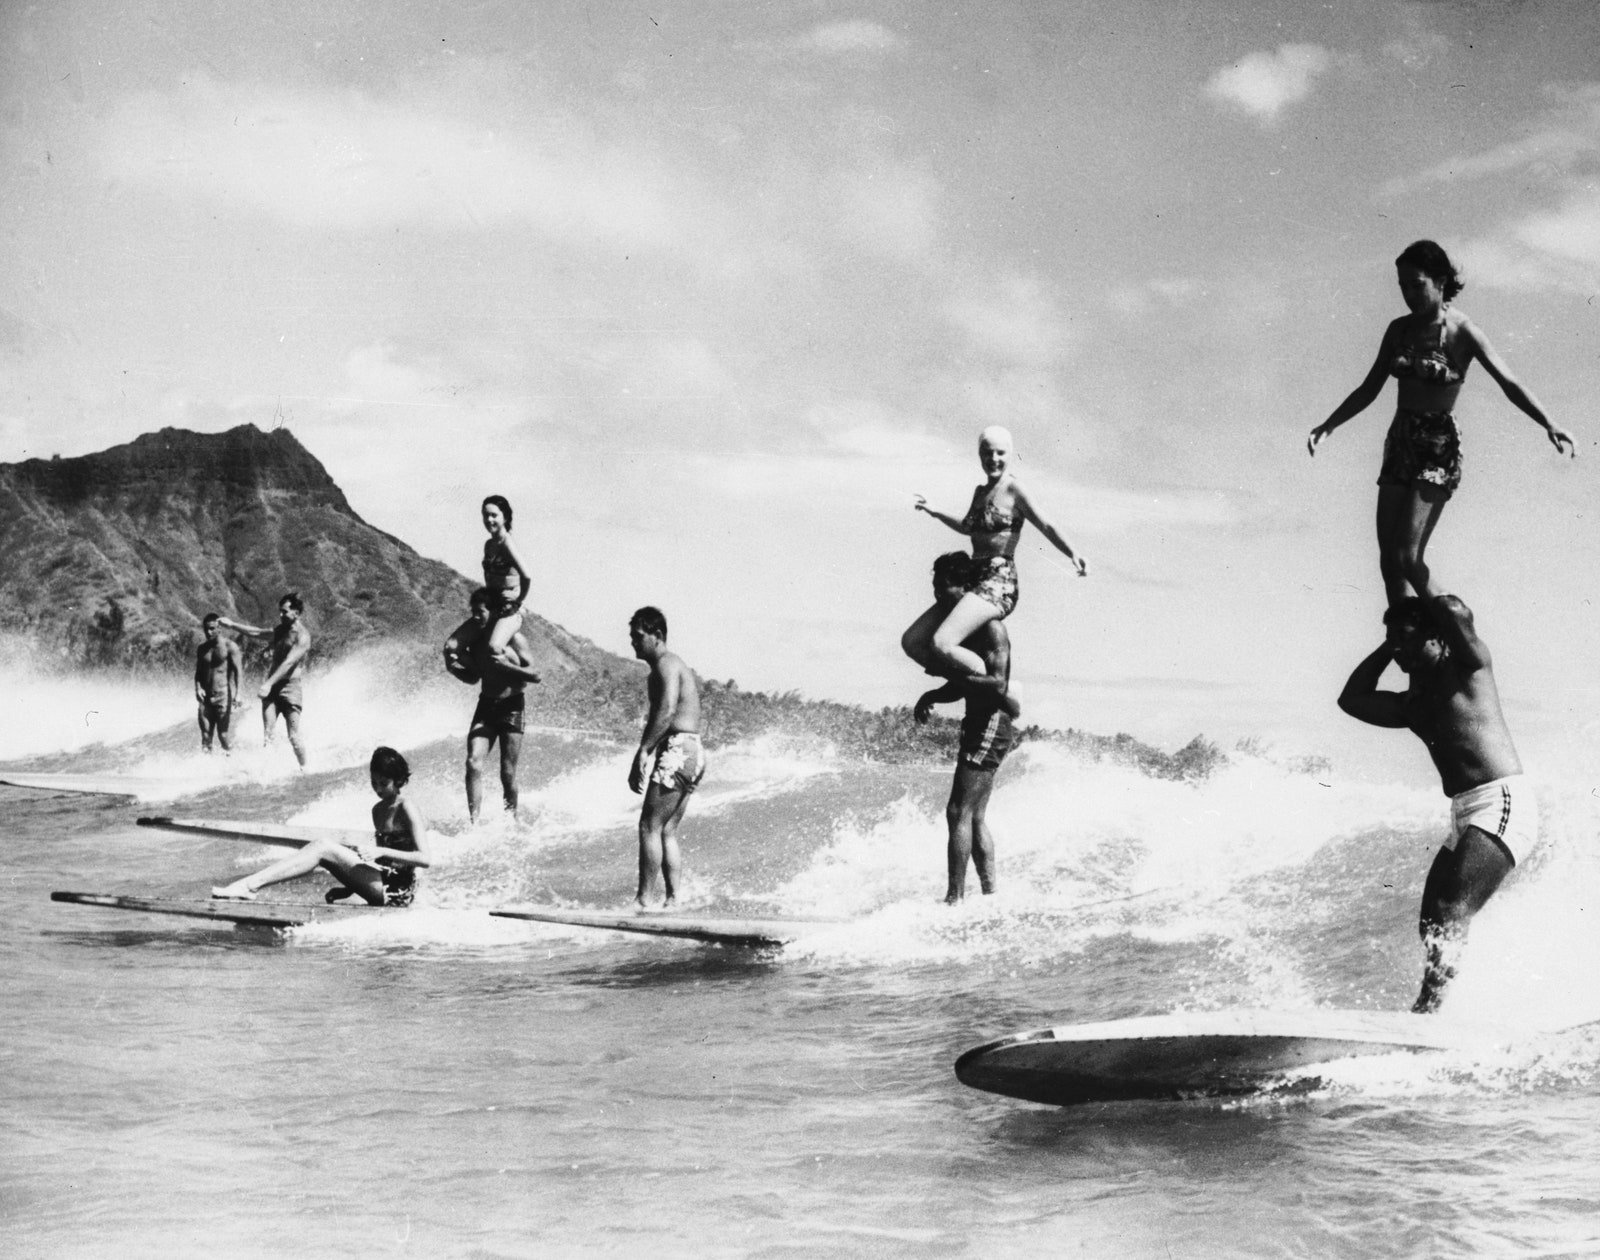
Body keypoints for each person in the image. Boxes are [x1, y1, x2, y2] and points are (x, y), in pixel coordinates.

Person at [1308, 239, 1577, 607]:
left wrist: (1550, 422)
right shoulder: (1398, 330)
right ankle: (1406, 636)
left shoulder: (1462, 331)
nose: (1408, 294)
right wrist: (1329, 424)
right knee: (1389, 561)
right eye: (1402, 285)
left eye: (1416, 284)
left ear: (1439, 280)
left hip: (1437, 445)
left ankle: (1453, 622)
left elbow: (1509, 383)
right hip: (1400, 439)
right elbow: (1369, 388)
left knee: (1407, 555)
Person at [1336, 593, 1535, 1012]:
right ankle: (1442, 1009)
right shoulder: (1413, 705)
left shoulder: (1468, 671)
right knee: (1432, 922)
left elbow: (1455, 610)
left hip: (1500, 802)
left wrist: (1410, 571)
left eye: (1407, 641)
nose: (1400, 653)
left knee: (1450, 910)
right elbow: (1351, 700)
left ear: (1435, 637)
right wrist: (1392, 644)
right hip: (1465, 811)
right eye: (1394, 645)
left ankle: (1426, 1013)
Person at [903, 426, 1087, 687]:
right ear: (980, 455)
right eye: (987, 453)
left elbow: (1045, 524)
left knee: (942, 642)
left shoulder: (1014, 489)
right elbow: (967, 526)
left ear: (1010, 455)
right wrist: (936, 511)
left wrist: (1073, 553)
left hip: (999, 583)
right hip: (973, 578)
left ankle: (999, 685)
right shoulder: (980, 493)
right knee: (912, 642)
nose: (994, 459)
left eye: (1000, 453)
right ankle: (966, 683)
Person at [913, 553, 1019, 903]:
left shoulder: (991, 627)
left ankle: (954, 899)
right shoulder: (963, 631)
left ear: (968, 588)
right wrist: (934, 693)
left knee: (958, 811)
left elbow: (996, 684)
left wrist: (951, 673)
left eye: (945, 588)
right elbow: (964, 685)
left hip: (992, 721)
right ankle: (990, 896)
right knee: (973, 817)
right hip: (981, 719)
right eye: (935, 587)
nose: (938, 596)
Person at [212, 746, 430, 904]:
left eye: (384, 783)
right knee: (323, 850)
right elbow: (384, 863)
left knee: (322, 846)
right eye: (374, 782)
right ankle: (249, 885)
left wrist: (378, 850)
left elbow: (424, 859)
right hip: (381, 882)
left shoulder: (406, 807)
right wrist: (350, 889)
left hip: (398, 891)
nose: (378, 789)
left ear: (398, 780)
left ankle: (250, 885)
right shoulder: (378, 810)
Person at [627, 606, 705, 910]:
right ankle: (673, 900)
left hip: (679, 749)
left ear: (657, 636)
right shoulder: (666, 667)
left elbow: (668, 710)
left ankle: (643, 900)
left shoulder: (666, 664)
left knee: (649, 826)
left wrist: (643, 751)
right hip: (693, 751)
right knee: (667, 829)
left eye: (638, 637)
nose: (633, 643)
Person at [443, 587, 542, 822]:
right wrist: (453, 669)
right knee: (473, 762)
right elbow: (473, 678)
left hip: (512, 707)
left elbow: (536, 675)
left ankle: (511, 820)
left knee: (507, 774)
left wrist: (507, 666)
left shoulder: (514, 640)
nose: (475, 617)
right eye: (473, 612)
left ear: (495, 612)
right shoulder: (476, 643)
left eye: (480, 612)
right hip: (486, 706)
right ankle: (474, 822)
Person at [480, 495, 533, 659]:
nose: (489, 520)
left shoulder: (506, 542)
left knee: (494, 648)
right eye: (485, 515)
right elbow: (488, 574)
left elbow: (527, 576)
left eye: (494, 515)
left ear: (505, 517)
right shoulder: (489, 545)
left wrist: (518, 599)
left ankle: (523, 674)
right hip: (494, 607)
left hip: (510, 609)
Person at [194, 612, 242, 753]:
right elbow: (198, 673)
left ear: (219, 628)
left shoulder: (230, 647)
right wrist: (198, 688)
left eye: (212, 628)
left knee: (223, 735)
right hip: (206, 697)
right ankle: (207, 770)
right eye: (206, 629)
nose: (209, 632)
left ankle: (232, 761)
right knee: (205, 736)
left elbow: (239, 671)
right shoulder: (202, 649)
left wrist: (238, 694)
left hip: (223, 696)